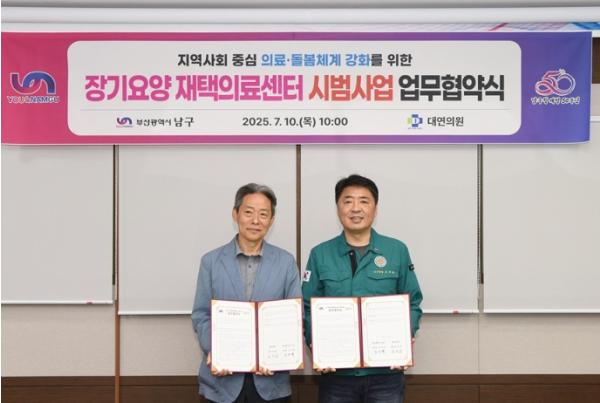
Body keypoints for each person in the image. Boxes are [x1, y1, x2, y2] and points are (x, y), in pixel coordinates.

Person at [302, 174, 423, 403]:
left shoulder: (396, 250)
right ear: (338, 208)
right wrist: (315, 344)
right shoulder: (320, 254)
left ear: (375, 209)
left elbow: (413, 302)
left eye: (364, 201)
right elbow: (307, 307)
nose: (355, 208)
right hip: (337, 375)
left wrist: (405, 337)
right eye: (348, 201)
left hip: (386, 373)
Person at [192, 183, 301, 403]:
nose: (255, 220)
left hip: (271, 383)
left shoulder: (286, 262)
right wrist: (217, 351)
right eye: (249, 212)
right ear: (235, 214)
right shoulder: (211, 261)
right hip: (222, 383)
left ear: (271, 219)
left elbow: (294, 317)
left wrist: (275, 357)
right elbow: (201, 315)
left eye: (263, 214)